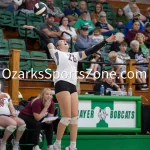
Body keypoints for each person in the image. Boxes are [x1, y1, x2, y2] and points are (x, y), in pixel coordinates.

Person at [23, 24, 116, 150]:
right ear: (58, 46)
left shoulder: (75, 55)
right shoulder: (55, 53)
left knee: (74, 118)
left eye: (65, 41)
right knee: (66, 117)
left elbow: (91, 50)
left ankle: (73, 146)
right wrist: (33, 28)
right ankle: (57, 143)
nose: (64, 42)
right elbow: (46, 38)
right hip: (62, 83)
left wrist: (106, 41)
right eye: (61, 41)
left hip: (72, 85)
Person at [0, 82, 26, 150]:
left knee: (22, 124)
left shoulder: (6, 95)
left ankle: (15, 142)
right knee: (13, 124)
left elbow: (11, 107)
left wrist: (13, 112)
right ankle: (3, 142)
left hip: (8, 116)